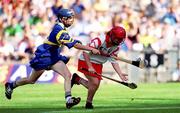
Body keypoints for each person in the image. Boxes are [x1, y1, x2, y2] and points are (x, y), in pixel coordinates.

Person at [4, 8, 100, 109]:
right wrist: (90, 48)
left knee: (67, 75)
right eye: (70, 18)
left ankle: (68, 100)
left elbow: (71, 41)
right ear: (63, 19)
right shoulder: (58, 30)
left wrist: (77, 42)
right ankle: (11, 85)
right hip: (45, 57)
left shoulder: (61, 28)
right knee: (31, 80)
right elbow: (74, 45)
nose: (72, 20)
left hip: (54, 56)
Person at [71, 26, 128, 109]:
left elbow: (114, 61)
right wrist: (90, 67)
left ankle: (77, 79)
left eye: (121, 39)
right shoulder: (99, 40)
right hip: (86, 60)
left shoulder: (116, 47)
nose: (119, 41)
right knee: (95, 83)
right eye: (118, 39)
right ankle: (88, 104)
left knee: (94, 86)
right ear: (112, 36)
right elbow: (85, 52)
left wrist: (120, 74)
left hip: (98, 64)